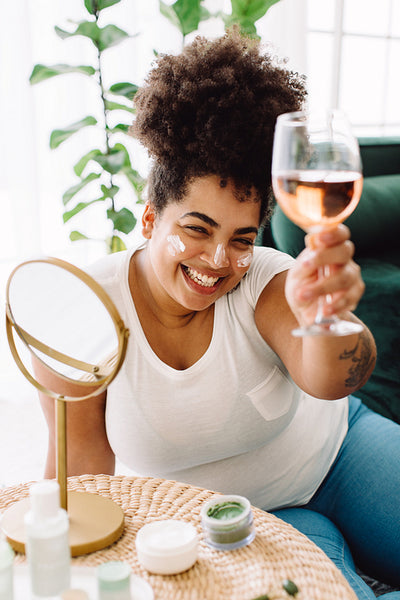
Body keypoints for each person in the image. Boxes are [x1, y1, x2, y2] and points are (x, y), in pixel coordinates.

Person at [38, 29, 400, 599]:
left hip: (341, 456)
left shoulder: (267, 279)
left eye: (240, 237)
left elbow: (333, 380)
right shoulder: (88, 309)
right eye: (196, 229)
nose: (217, 261)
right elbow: (80, 474)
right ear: (151, 218)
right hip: (236, 520)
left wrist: (330, 313)